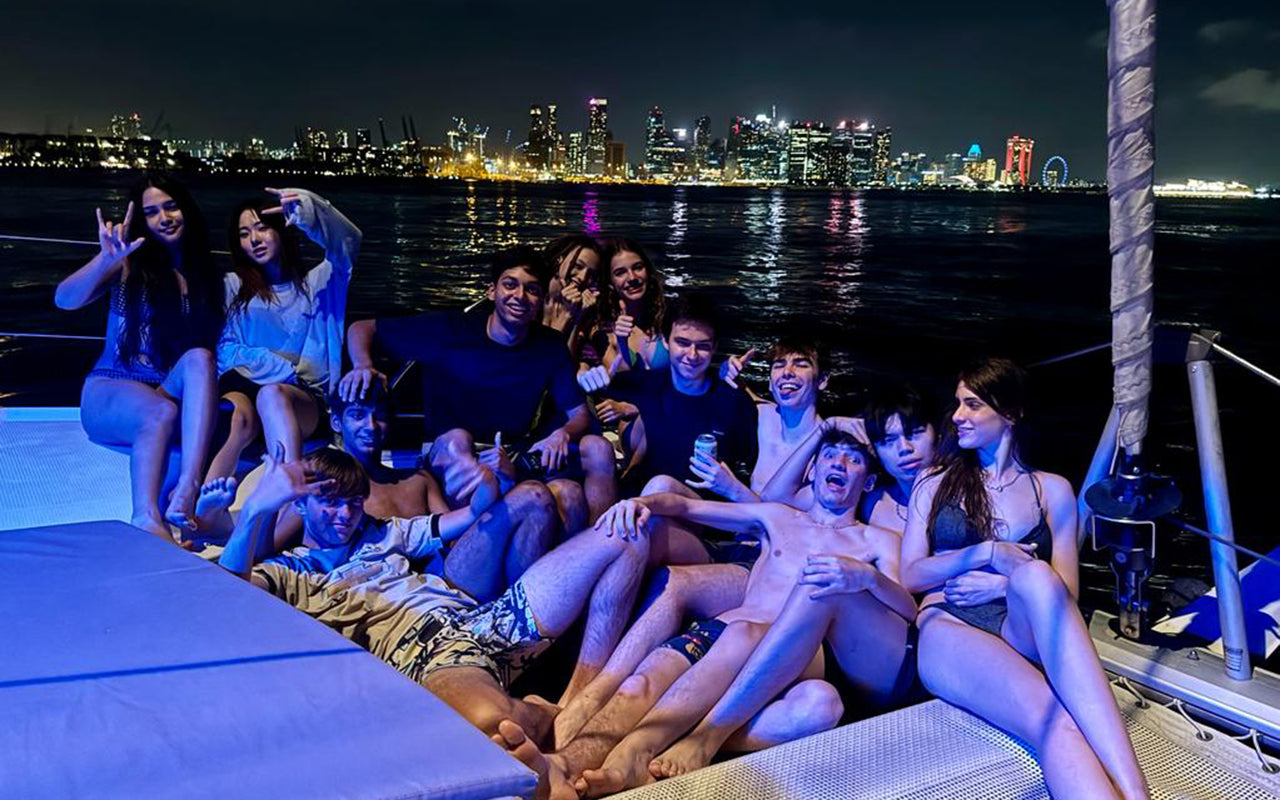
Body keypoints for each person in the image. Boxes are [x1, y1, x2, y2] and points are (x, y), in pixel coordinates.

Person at [491, 426, 916, 798]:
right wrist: (641, 503)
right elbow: (688, 507)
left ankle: (642, 750)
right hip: (720, 635)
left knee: (756, 645)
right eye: (830, 455)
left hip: (794, 657)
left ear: (869, 477)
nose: (839, 463)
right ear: (814, 469)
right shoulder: (776, 516)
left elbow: (905, 609)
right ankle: (568, 766)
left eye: (854, 459)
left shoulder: (877, 541)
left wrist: (865, 578)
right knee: (638, 686)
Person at [219, 445, 656, 757]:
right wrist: (257, 509)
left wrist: (487, 482)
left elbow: (468, 518)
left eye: (353, 503)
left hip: (483, 621)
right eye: (331, 503)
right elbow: (223, 598)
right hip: (426, 654)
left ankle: (581, 697)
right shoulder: (293, 572)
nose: (345, 515)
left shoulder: (379, 533)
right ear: (302, 504)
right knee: (494, 725)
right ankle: (540, 714)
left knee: (628, 530)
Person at [552, 336, 829, 745]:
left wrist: (732, 488)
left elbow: (779, 524)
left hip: (762, 566)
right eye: (778, 365)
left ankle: (600, 695)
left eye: (800, 364)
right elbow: (700, 398)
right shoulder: (760, 415)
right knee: (647, 513)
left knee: (671, 579)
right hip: (726, 539)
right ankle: (581, 677)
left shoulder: (832, 447)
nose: (787, 373)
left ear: (822, 381)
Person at [900, 358, 1148, 800]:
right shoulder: (934, 482)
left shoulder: (1051, 489)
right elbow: (911, 574)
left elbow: (1065, 592)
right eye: (957, 404)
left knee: (1035, 576)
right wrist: (986, 553)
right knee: (1060, 721)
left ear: (1010, 413)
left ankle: (1134, 790)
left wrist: (1003, 583)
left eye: (972, 405)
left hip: (1020, 626)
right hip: (952, 623)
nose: (957, 417)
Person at [342, 245, 616, 534]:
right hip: (448, 452)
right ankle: (465, 546)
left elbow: (579, 415)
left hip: (511, 451)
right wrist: (363, 365)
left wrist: (563, 433)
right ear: (492, 291)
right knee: (459, 440)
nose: (520, 297)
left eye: (532, 290)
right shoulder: (449, 330)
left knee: (597, 448)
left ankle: (602, 543)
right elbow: (362, 328)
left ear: (540, 300)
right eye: (510, 285)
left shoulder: (549, 346)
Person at [55, 173, 223, 538]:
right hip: (111, 387)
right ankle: (146, 517)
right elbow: (64, 300)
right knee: (161, 412)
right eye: (151, 212)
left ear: (186, 210)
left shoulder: (204, 276)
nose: (164, 217)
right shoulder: (128, 264)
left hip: (161, 386)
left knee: (201, 359)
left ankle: (187, 490)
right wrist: (104, 259)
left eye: (171, 206)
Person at [206, 187, 361, 481]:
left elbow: (349, 241)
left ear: (282, 229)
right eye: (243, 233)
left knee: (272, 395)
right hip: (244, 390)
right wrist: (279, 367)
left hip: (301, 398)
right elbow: (224, 348)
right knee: (237, 417)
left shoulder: (319, 284)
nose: (253, 239)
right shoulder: (231, 286)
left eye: (262, 228)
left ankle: (290, 484)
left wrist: (310, 207)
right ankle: (202, 503)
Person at [860, 383, 940, 533]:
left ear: (937, 434)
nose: (904, 448)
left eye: (914, 433)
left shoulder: (967, 492)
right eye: (889, 440)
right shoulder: (872, 504)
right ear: (874, 451)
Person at [587, 238, 668, 373]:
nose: (632, 277)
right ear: (610, 282)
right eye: (620, 273)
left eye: (638, 267)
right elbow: (620, 381)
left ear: (647, 271)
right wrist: (621, 343)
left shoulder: (667, 318)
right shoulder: (602, 331)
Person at [541, 234, 602, 349]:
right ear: (559, 258)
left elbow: (568, 361)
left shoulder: (584, 307)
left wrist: (577, 318)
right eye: (578, 266)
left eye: (591, 274)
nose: (583, 277)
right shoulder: (535, 294)